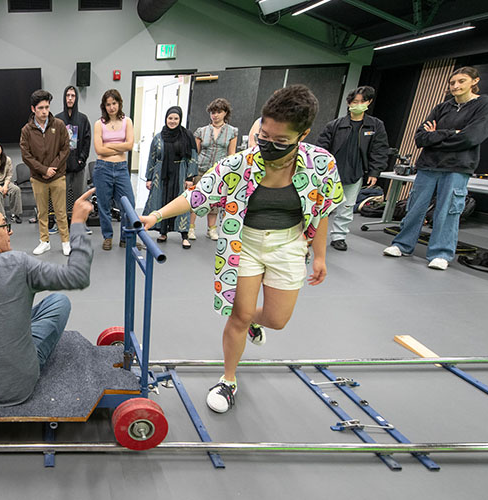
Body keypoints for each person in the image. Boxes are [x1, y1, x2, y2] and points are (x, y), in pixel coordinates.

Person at [140, 85, 343, 414]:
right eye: (263, 136)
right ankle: (228, 379)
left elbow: (321, 211)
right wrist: (155, 215)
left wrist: (320, 255)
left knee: (277, 320)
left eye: (280, 142)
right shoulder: (240, 164)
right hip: (243, 244)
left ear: (302, 135)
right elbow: (197, 195)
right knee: (239, 315)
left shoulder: (321, 165)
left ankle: (253, 320)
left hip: (289, 245)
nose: (268, 146)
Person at [0, 188, 96, 406]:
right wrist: (77, 223)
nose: (9, 232)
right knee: (59, 302)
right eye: (4, 225)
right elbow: (77, 276)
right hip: (21, 383)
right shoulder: (19, 263)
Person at [383, 67, 488, 270]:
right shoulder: (442, 107)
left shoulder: (483, 104)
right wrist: (452, 133)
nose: (456, 86)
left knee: (448, 211)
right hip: (428, 165)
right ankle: (402, 244)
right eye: (452, 83)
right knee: (415, 207)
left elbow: (471, 137)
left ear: (474, 81)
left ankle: (441, 253)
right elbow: (420, 137)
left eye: (462, 81)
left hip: (457, 167)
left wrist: (437, 135)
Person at [317, 86, 389, 252]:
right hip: (331, 172)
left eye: (362, 101)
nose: (358, 104)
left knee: (347, 206)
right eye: (355, 101)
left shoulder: (375, 126)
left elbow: (380, 150)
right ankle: (313, 234)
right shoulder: (335, 125)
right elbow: (321, 148)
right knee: (322, 205)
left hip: (355, 171)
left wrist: (374, 172)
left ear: (369, 102)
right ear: (349, 103)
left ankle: (338, 237)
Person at [20, 89, 72, 256]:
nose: (44, 111)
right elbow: (26, 156)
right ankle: (44, 241)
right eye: (41, 108)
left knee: (61, 211)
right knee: (42, 212)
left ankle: (65, 241)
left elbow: (65, 149)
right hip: (38, 178)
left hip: (57, 176)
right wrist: (43, 170)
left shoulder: (59, 125)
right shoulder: (26, 130)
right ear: (33, 109)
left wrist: (53, 169)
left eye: (47, 107)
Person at [143, 106, 199, 249]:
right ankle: (163, 232)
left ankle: (184, 235)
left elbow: (192, 157)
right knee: (162, 200)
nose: (172, 121)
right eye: (170, 118)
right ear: (166, 118)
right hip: (161, 174)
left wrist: (190, 177)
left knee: (182, 202)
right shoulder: (159, 137)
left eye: (176, 118)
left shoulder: (186, 136)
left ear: (180, 119)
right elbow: (152, 158)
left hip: (180, 173)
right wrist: (149, 177)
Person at [93, 89, 137, 251]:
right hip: (102, 168)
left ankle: (125, 238)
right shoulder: (99, 124)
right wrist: (120, 147)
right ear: (104, 106)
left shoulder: (127, 121)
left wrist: (108, 145)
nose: (111, 107)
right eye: (108, 104)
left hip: (121, 168)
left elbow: (130, 145)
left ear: (119, 103)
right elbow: (99, 150)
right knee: (104, 205)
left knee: (129, 204)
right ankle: (108, 237)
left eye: (114, 103)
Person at [193, 98, 239, 241]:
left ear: (225, 113)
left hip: (219, 171)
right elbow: (196, 152)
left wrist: (230, 173)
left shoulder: (232, 132)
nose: (215, 115)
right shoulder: (202, 131)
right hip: (201, 169)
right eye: (213, 112)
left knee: (214, 201)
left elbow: (231, 153)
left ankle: (211, 229)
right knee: (195, 199)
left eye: (219, 112)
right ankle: (190, 228)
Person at [57, 85, 92, 233]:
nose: (70, 98)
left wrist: (81, 160)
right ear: (64, 98)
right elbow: (54, 143)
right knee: (61, 199)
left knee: (79, 198)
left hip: (78, 167)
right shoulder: (58, 119)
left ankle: (80, 225)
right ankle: (61, 226)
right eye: (68, 95)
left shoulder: (83, 119)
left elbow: (86, 141)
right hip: (63, 167)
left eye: (73, 95)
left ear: (76, 98)